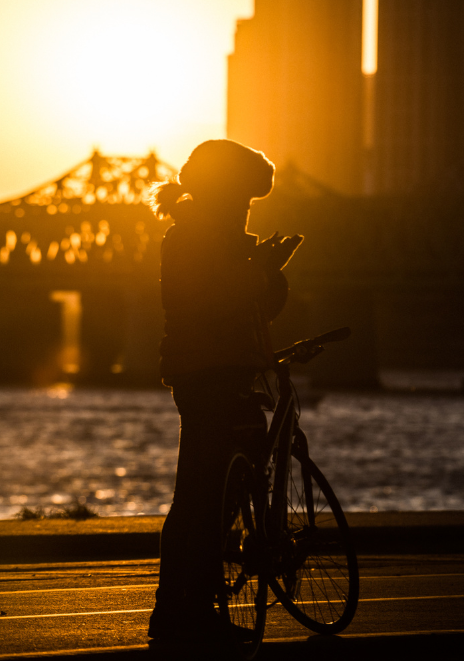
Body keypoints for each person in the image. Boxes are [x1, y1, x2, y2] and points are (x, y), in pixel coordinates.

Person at [146, 139, 298, 642]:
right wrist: (260, 272)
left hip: (234, 371)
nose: (247, 208)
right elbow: (212, 302)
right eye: (243, 198)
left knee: (219, 493)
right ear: (221, 192)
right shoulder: (189, 238)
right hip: (206, 373)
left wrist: (269, 273)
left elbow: (255, 309)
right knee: (201, 496)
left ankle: (191, 605)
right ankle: (181, 611)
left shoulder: (224, 238)